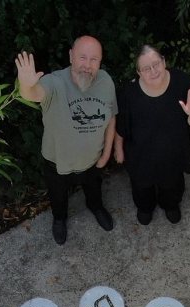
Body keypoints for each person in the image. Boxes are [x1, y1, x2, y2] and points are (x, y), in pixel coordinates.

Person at [15, 36, 117, 245]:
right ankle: (59, 219)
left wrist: (107, 153)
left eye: (94, 59)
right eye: (82, 57)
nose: (87, 65)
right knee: (58, 196)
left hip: (92, 160)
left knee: (94, 190)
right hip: (57, 162)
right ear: (71, 56)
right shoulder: (54, 82)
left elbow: (112, 116)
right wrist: (25, 85)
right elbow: (34, 93)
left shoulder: (105, 80)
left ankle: (96, 207)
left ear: (100, 62)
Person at [113, 45, 190, 225]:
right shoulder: (129, 93)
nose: (153, 71)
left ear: (164, 62)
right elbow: (121, 125)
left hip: (172, 154)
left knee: (172, 185)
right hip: (140, 156)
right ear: (139, 72)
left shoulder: (181, 82)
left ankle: (170, 205)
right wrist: (118, 149)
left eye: (156, 64)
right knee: (141, 186)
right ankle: (145, 207)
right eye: (146, 68)